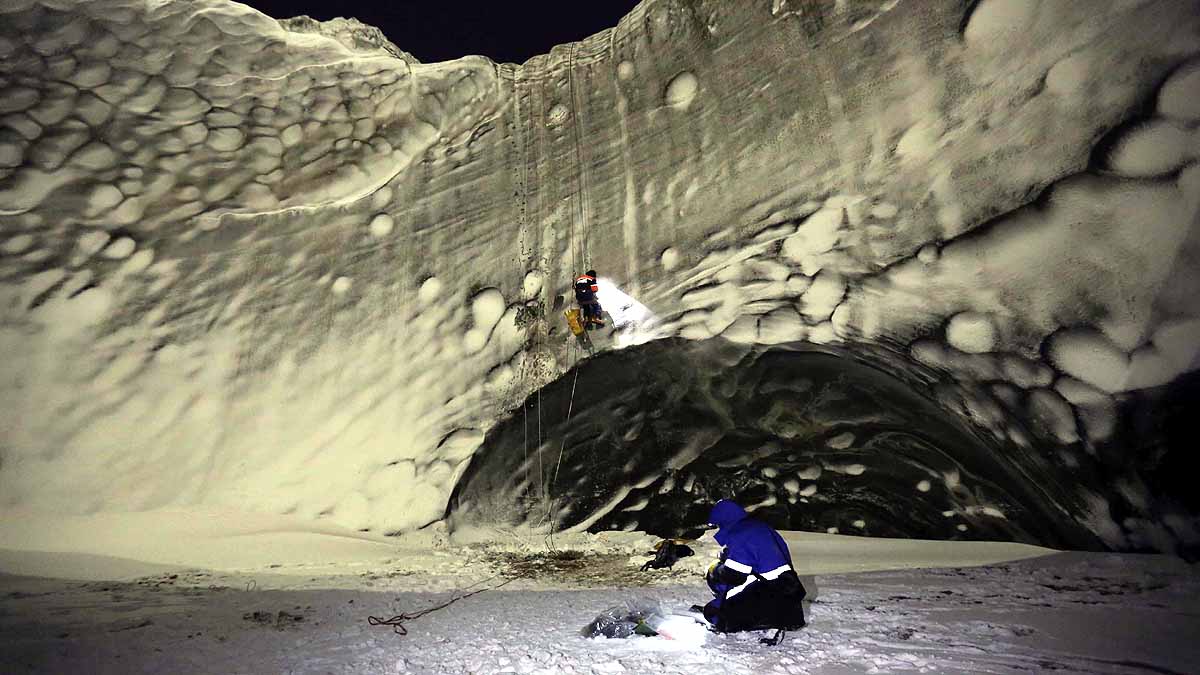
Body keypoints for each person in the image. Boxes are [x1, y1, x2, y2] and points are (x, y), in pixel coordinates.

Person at [701, 499, 806, 635]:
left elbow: (734, 575)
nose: (718, 528)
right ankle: (775, 620)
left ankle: (769, 621)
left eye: (718, 524)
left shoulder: (739, 534)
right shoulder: (757, 526)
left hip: (769, 591)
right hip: (787, 589)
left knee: (713, 613)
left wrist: (714, 571)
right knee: (728, 587)